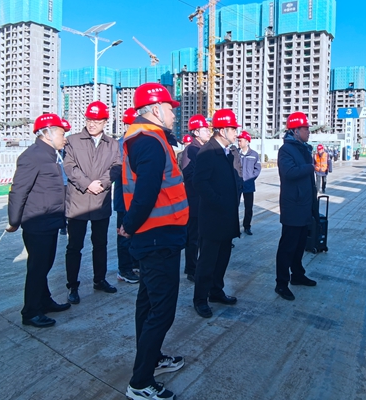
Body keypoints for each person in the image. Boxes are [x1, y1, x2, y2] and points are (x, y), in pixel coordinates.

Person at [118, 83, 187, 400]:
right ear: (156, 110)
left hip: (157, 234)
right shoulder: (149, 141)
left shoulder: (147, 138)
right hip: (158, 236)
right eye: (170, 108)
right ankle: (141, 382)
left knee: (147, 304)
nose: (174, 114)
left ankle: (152, 358)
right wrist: (129, 225)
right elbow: (145, 193)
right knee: (162, 310)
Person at [7, 114, 72, 328]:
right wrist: (14, 220)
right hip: (38, 222)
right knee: (37, 268)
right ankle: (31, 311)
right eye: (62, 133)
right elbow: (19, 191)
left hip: (50, 220)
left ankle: (44, 301)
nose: (65, 138)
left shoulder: (51, 155)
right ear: (48, 134)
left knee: (44, 265)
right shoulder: (33, 156)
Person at [63, 101, 121, 304]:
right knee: (74, 246)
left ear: (105, 122)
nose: (92, 123)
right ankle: (72, 285)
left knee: (100, 244)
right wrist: (87, 184)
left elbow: (116, 167)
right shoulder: (72, 140)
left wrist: (102, 183)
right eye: (89, 119)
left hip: (100, 200)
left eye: (97, 120)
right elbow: (69, 166)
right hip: (78, 201)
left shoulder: (112, 144)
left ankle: (99, 279)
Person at [192, 109, 242, 318]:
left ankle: (216, 291)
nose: (236, 133)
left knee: (222, 258)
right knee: (207, 261)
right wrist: (219, 202)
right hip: (213, 217)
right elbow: (199, 183)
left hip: (227, 216)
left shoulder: (227, 151)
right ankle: (200, 299)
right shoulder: (208, 151)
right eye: (233, 129)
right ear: (222, 130)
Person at [274, 112, 318, 301]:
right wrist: (311, 167)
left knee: (300, 244)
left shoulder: (304, 149)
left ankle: (298, 275)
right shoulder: (286, 150)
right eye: (305, 128)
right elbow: (289, 173)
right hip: (293, 205)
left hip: (305, 204)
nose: (308, 131)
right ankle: (281, 283)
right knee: (288, 246)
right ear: (295, 131)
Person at [180, 115, 211, 282]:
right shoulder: (191, 150)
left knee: (199, 236)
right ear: (196, 132)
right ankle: (191, 269)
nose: (208, 132)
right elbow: (188, 174)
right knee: (193, 237)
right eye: (205, 129)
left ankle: (195, 266)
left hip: (201, 200)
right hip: (194, 200)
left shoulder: (202, 149)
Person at [114, 108, 140, 284]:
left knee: (135, 232)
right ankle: (124, 269)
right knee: (124, 234)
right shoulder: (121, 145)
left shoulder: (138, 143)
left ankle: (134, 263)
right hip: (124, 198)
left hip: (135, 198)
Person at [237, 131, 261, 235]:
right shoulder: (235, 154)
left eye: (240, 141)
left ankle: (247, 226)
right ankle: (235, 228)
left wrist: (251, 178)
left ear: (247, 141)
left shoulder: (254, 155)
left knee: (248, 207)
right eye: (238, 141)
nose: (239, 142)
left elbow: (257, 169)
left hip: (249, 185)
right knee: (235, 207)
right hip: (237, 185)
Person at [59, 119, 71, 236]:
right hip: (57, 182)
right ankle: (62, 225)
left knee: (68, 204)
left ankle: (66, 224)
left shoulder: (68, 147)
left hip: (67, 181)